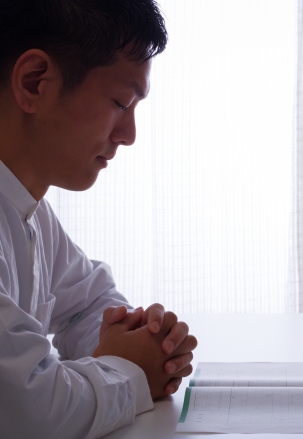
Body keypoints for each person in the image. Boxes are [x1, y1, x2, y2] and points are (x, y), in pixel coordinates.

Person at [0, 0, 197, 438]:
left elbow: (88, 304)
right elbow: (30, 410)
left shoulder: (30, 212)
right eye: (120, 102)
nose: (128, 135)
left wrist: (143, 344)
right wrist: (132, 371)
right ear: (34, 82)